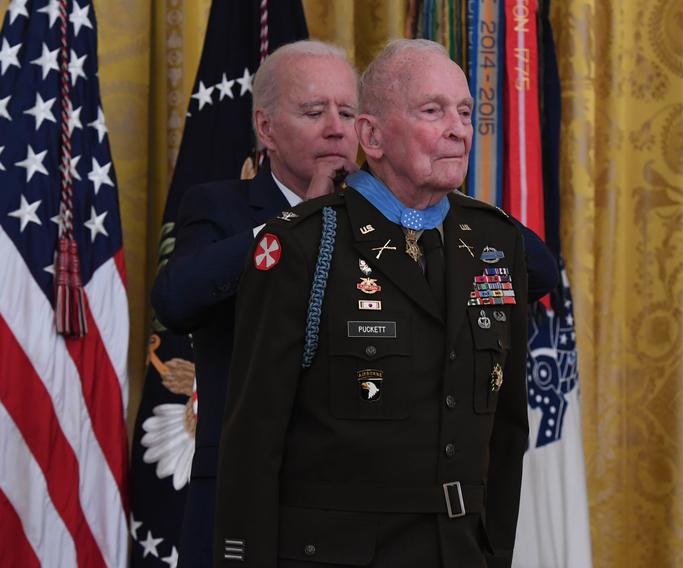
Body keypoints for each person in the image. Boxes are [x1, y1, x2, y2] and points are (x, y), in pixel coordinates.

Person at [213, 39, 529, 567]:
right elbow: (253, 441)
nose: (458, 128)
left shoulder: (494, 242)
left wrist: (493, 554)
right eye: (433, 111)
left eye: (466, 111)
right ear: (372, 136)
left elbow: (508, 429)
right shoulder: (304, 245)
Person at [150, 40, 360, 568]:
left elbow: (533, 268)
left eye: (350, 112)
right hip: (246, 509)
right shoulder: (220, 207)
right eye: (315, 112)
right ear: (266, 129)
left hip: (361, 512)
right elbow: (175, 300)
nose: (337, 127)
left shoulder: (389, 218)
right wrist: (295, 226)